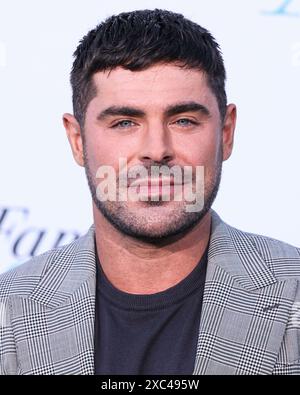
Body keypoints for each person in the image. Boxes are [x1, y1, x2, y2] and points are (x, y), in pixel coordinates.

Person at [0, 9, 299, 376]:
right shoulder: (8, 312)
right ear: (77, 141)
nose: (156, 150)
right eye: (125, 122)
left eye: (184, 120)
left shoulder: (293, 294)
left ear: (226, 133)